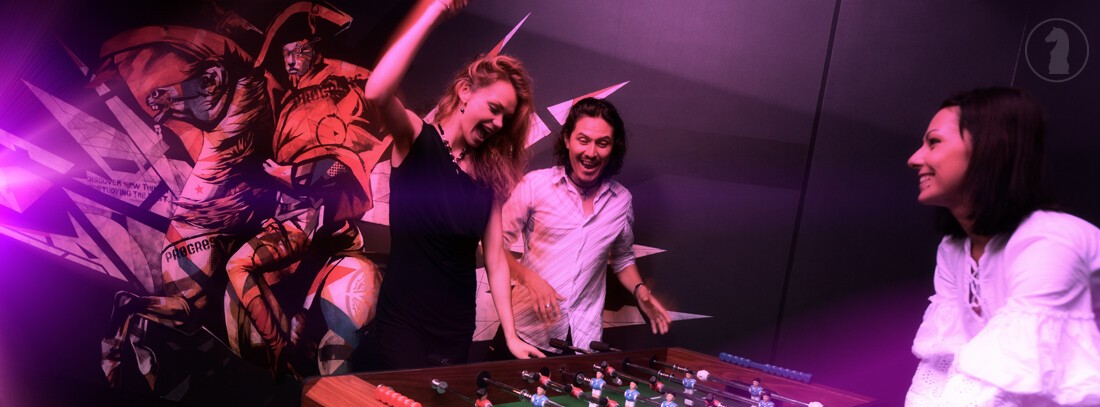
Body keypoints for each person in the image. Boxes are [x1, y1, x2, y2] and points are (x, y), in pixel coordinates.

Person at [363, 0, 543, 369]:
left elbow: (495, 258)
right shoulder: (416, 138)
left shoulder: (489, 180)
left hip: (456, 328)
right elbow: (377, 92)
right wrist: (434, 13)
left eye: (505, 118)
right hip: (404, 322)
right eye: (494, 108)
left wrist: (511, 336)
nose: (498, 124)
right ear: (464, 91)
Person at [905, 87, 1100, 405]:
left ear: (989, 147)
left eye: (934, 142)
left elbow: (1007, 384)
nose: (914, 159)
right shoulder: (954, 249)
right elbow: (943, 367)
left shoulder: (1049, 243)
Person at [502, 97, 671, 355]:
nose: (591, 153)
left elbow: (623, 258)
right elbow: (491, 248)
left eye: (602, 143)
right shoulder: (535, 185)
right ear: (567, 139)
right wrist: (528, 278)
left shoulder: (621, 201)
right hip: (526, 334)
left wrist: (639, 291)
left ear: (613, 148)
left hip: (583, 341)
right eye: (583, 140)